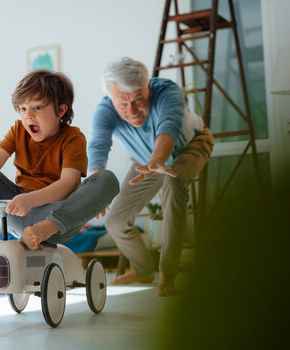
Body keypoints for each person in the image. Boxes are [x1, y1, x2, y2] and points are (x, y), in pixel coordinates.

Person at [0, 69, 119, 250]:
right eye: (22, 109)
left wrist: (31, 200)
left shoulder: (73, 137)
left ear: (61, 110)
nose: (28, 116)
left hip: (56, 218)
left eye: (37, 107)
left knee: (107, 179)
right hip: (17, 210)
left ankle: (44, 230)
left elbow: (67, 184)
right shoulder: (18, 130)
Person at [87, 57, 214, 296]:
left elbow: (169, 125)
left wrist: (158, 159)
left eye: (138, 99)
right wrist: (96, 186)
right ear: (111, 98)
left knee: (174, 182)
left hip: (189, 145)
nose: (132, 111)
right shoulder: (105, 110)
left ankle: (169, 274)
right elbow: (98, 145)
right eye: (122, 104)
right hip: (145, 161)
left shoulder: (167, 91)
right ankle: (144, 270)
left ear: (148, 87)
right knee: (115, 221)